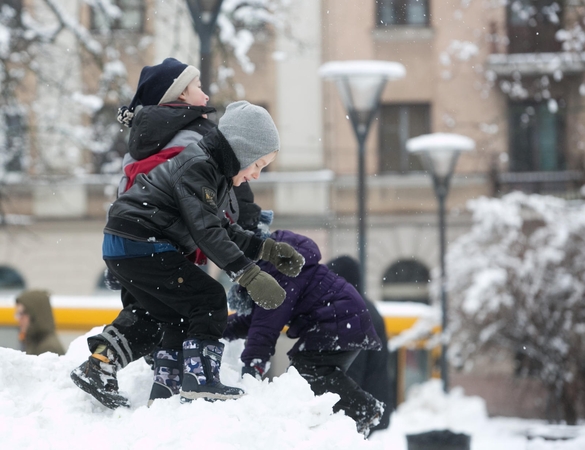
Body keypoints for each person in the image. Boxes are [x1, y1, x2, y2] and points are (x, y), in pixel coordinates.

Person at [72, 94, 305, 406]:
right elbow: (207, 232)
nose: (255, 175)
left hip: (125, 242)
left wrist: (267, 249)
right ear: (242, 149)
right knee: (207, 300)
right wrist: (249, 275)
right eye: (258, 164)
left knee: (163, 315)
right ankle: (201, 380)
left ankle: (130, 376)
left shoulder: (213, 172)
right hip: (143, 241)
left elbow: (221, 227)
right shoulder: (199, 167)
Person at [71, 57, 217, 409]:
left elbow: (127, 193)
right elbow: (213, 190)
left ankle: (103, 364)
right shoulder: (198, 136)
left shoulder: (140, 143)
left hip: (129, 239)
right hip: (164, 242)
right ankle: (179, 376)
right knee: (198, 304)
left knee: (147, 312)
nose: (207, 95)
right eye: (197, 87)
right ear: (179, 95)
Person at [223, 215, 385, 436]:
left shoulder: (275, 276)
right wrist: (218, 328)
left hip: (337, 320)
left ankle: (362, 407)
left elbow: (265, 327)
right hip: (340, 317)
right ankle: (339, 423)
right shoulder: (275, 268)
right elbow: (256, 320)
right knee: (307, 375)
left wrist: (252, 370)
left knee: (306, 373)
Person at [326, 255, 395, 435]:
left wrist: (342, 408)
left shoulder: (352, 311)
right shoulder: (366, 307)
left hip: (355, 410)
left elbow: (351, 368)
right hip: (368, 403)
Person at [15, 289, 65, 356]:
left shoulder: (49, 349)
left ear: (36, 314)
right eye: (18, 314)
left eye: (22, 313)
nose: (19, 318)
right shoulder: (34, 342)